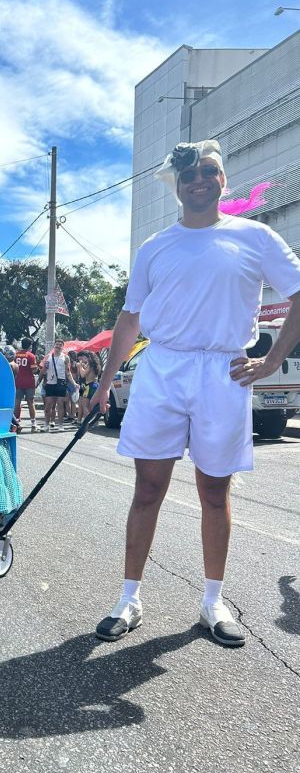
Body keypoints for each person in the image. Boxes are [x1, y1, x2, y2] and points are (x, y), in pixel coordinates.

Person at [90, 139, 300, 647]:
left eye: (209, 171)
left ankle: (212, 602)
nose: (199, 180)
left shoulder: (256, 236)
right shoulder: (155, 247)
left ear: (223, 180)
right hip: (162, 368)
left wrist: (272, 360)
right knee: (147, 489)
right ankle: (129, 598)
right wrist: (102, 383)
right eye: (189, 175)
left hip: (221, 372)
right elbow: (129, 316)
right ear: (177, 186)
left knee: (213, 491)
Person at [38, 339, 74, 431]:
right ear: (54, 346)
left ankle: (60, 425)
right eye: (57, 344)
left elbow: (68, 372)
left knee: (60, 405)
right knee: (48, 406)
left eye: (60, 345)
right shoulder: (48, 357)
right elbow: (42, 371)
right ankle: (46, 425)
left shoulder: (65, 357)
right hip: (50, 383)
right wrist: (38, 380)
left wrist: (74, 383)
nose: (58, 346)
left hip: (61, 382)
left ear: (62, 347)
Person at [14, 337, 39, 431]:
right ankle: (33, 423)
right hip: (29, 382)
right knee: (30, 403)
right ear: (29, 345)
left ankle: (16, 422)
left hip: (18, 381)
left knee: (17, 402)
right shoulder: (31, 356)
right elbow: (34, 369)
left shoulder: (16, 354)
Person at [76, 350, 101, 422]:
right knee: (90, 405)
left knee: (84, 405)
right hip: (94, 385)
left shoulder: (90, 365)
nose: (83, 359)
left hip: (89, 385)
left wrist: (80, 367)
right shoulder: (96, 365)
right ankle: (91, 420)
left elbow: (83, 375)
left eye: (85, 357)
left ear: (89, 357)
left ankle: (91, 421)